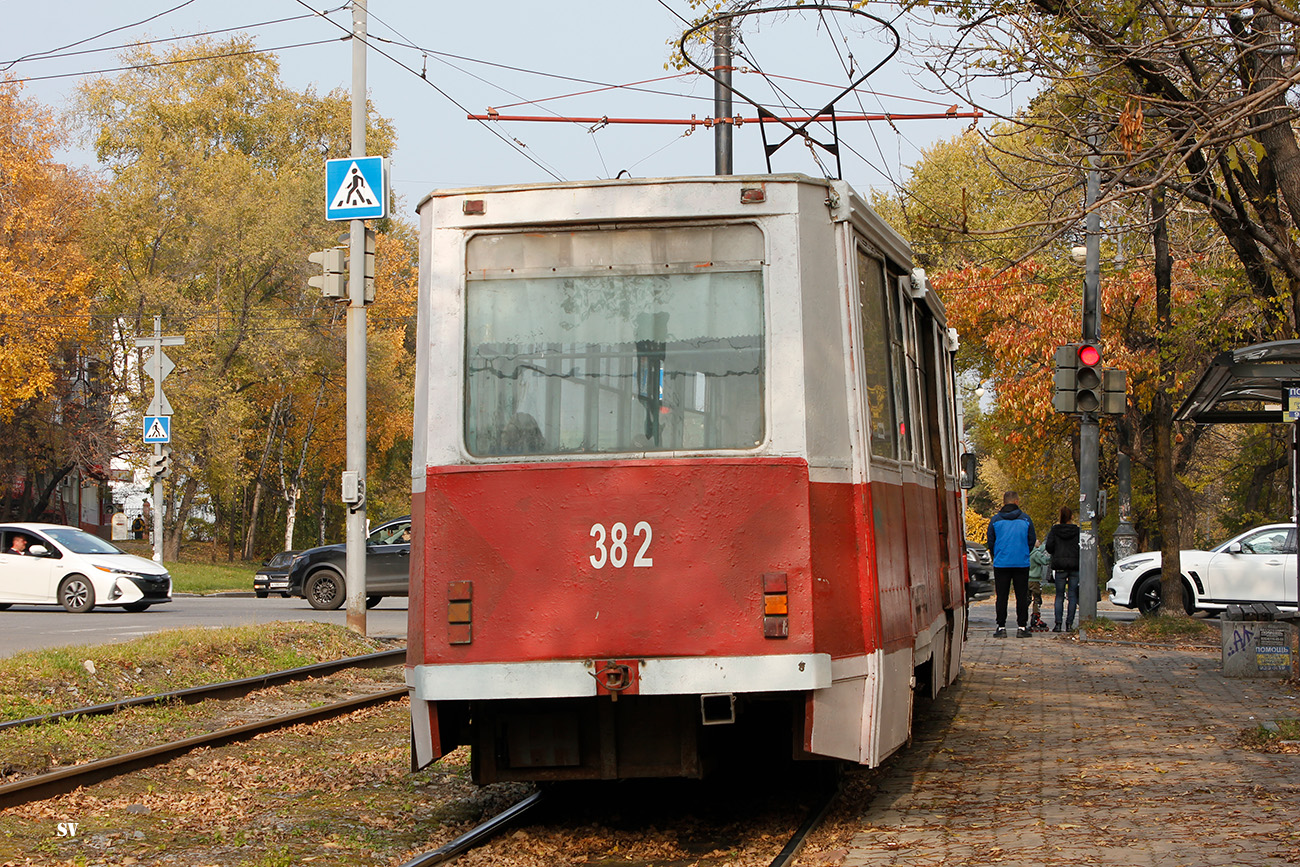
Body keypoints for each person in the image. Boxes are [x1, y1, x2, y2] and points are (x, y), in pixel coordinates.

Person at [987, 490, 1037, 638]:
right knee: (1021, 596)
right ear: (1017, 501)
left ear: (1004, 502)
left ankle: (1001, 627)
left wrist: (998, 553)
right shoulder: (1026, 519)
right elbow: (1031, 540)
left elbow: (990, 541)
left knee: (1002, 597)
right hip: (1021, 563)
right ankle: (1022, 627)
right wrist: (1023, 551)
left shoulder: (995, 520)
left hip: (1002, 563)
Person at [1045, 506, 1081, 632]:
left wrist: (1056, 552)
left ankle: (1058, 624)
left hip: (1059, 565)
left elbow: (1049, 546)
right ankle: (1069, 624)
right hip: (1074, 565)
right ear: (1071, 517)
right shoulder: (1077, 531)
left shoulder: (1055, 530)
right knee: (1072, 596)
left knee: (1059, 596)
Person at [1028, 541, 1051, 631]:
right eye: (1038, 541)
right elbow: (1045, 561)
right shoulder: (1036, 554)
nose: (1039, 542)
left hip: (1026, 579)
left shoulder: (1028, 552)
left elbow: (1040, 549)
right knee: (1037, 598)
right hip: (1035, 579)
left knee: (1027, 599)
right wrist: (1052, 558)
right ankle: (1035, 616)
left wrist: (1044, 546)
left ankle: (1023, 617)